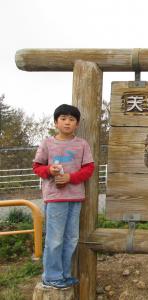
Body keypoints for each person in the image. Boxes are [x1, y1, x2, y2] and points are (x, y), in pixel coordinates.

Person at [33, 104, 95, 289]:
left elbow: (89, 168)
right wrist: (49, 170)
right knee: (55, 239)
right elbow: (37, 167)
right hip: (54, 198)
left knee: (71, 238)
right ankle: (51, 276)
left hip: (75, 197)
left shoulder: (82, 144)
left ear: (77, 124)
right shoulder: (47, 143)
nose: (67, 122)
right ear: (55, 122)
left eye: (72, 119)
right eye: (63, 118)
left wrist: (70, 177)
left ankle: (64, 274)